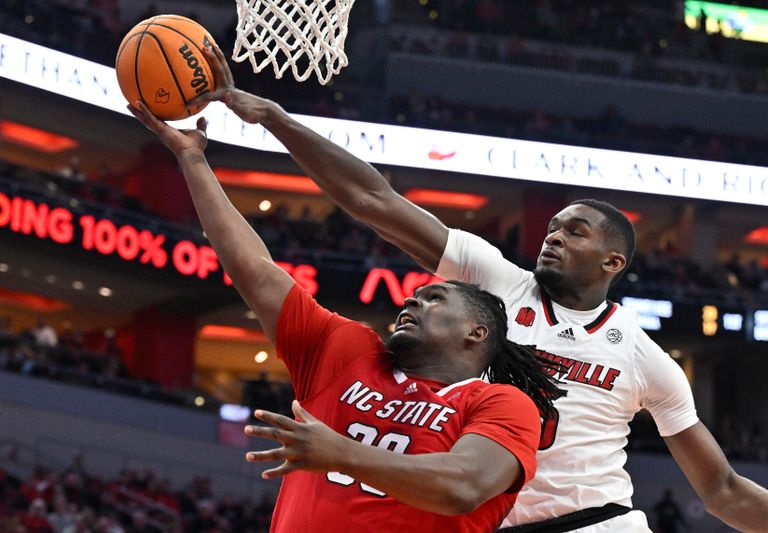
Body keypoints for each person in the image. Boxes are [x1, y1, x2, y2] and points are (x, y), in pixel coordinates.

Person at [191, 45, 768, 532]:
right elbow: (374, 201)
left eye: (575, 231)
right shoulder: (494, 283)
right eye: (551, 227)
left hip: (595, 521)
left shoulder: (644, 357)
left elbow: (719, 488)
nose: (554, 237)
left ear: (614, 259)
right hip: (482, 514)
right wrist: (275, 118)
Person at [128, 89, 563, 532]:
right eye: (418, 294)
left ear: (477, 331)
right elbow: (254, 271)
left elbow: (463, 486)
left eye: (435, 298)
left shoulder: (501, 403)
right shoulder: (349, 352)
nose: (413, 299)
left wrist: (342, 454)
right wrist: (192, 159)